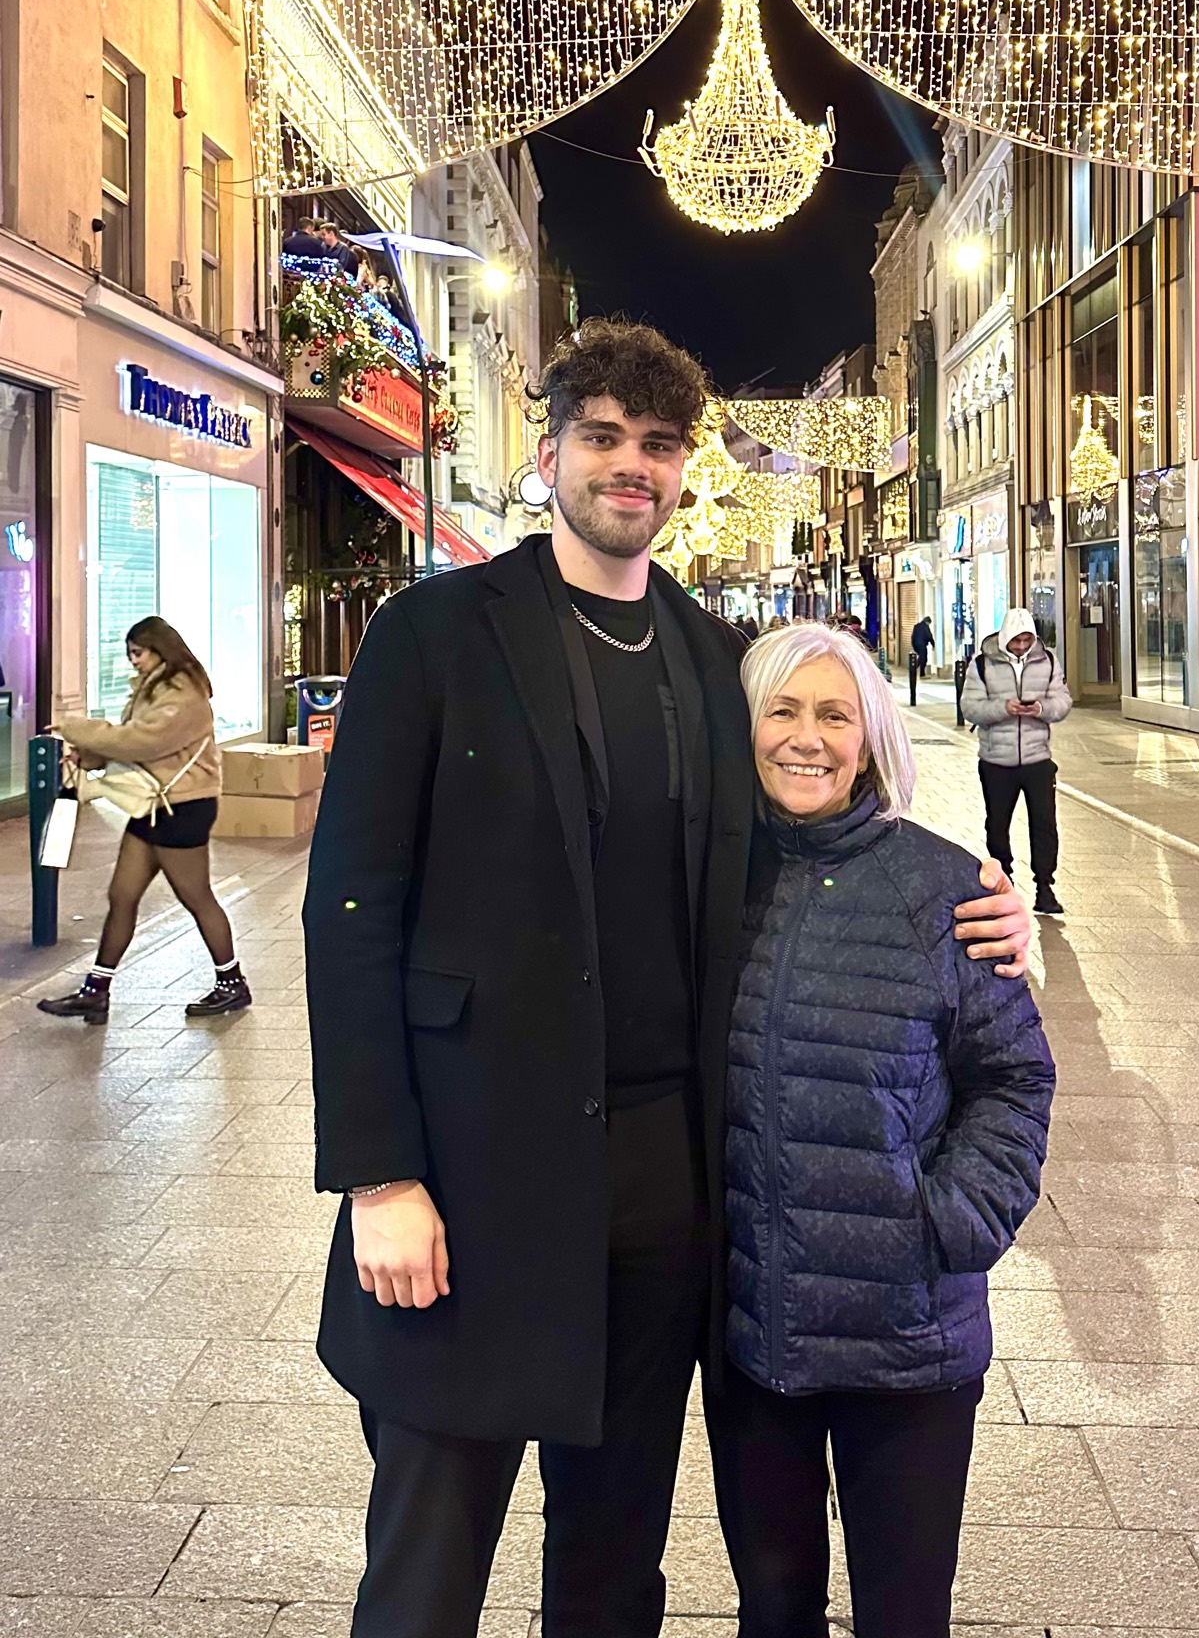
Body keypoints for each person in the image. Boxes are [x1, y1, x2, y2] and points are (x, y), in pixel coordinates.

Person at [302, 317, 1032, 1638]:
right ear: (550, 455)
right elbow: (351, 909)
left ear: (685, 468)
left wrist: (968, 910)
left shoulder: (709, 661)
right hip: (468, 1167)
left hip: (659, 1189)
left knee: (613, 1552)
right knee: (427, 1556)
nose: (629, 464)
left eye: (657, 443)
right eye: (602, 437)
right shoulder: (435, 632)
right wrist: (379, 1174)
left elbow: (799, 845)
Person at [709, 624, 1055, 1637]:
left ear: (869, 739)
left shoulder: (943, 889)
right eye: (782, 710)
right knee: (774, 1609)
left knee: (904, 1615)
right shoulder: (709, 885)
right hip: (758, 1335)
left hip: (909, 1340)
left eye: (835, 714)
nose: (806, 737)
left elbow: (1013, 1075)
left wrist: (950, 1223)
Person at [35, 617, 249, 1024]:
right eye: (130, 654)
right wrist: (91, 757)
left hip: (182, 807)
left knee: (196, 896)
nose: (133, 661)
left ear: (160, 649)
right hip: (152, 804)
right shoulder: (153, 688)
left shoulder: (183, 693)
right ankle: (96, 991)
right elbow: (134, 742)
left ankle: (231, 982)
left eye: (138, 652)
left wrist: (80, 729)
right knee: (122, 894)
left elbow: (144, 740)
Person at [960, 606, 1072, 917]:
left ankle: (1045, 886)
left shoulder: (1048, 661)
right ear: (1005, 638)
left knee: (1044, 824)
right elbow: (969, 707)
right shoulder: (982, 664)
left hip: (1038, 759)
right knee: (997, 824)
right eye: (1016, 641)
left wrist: (1041, 709)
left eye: (1027, 641)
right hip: (996, 760)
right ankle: (1004, 881)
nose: (1022, 647)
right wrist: (1003, 708)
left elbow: (1063, 701)